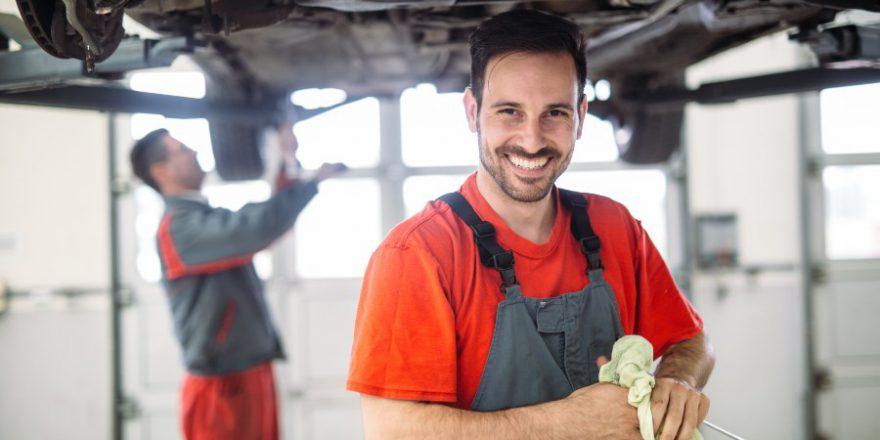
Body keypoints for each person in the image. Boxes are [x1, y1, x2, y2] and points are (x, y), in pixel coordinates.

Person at [347, 9, 715, 440]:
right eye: (509, 112)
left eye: (555, 113)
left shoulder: (614, 227)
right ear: (472, 111)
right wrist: (568, 423)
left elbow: (693, 342)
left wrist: (679, 382)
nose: (533, 140)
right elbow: (392, 431)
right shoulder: (419, 254)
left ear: (580, 114)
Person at [129, 123, 344, 440]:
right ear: (161, 171)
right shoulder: (178, 229)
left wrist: (287, 159)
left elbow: (261, 226)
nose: (196, 152)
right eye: (183, 150)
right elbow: (254, 229)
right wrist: (312, 183)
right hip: (221, 387)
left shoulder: (202, 218)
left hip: (248, 373)